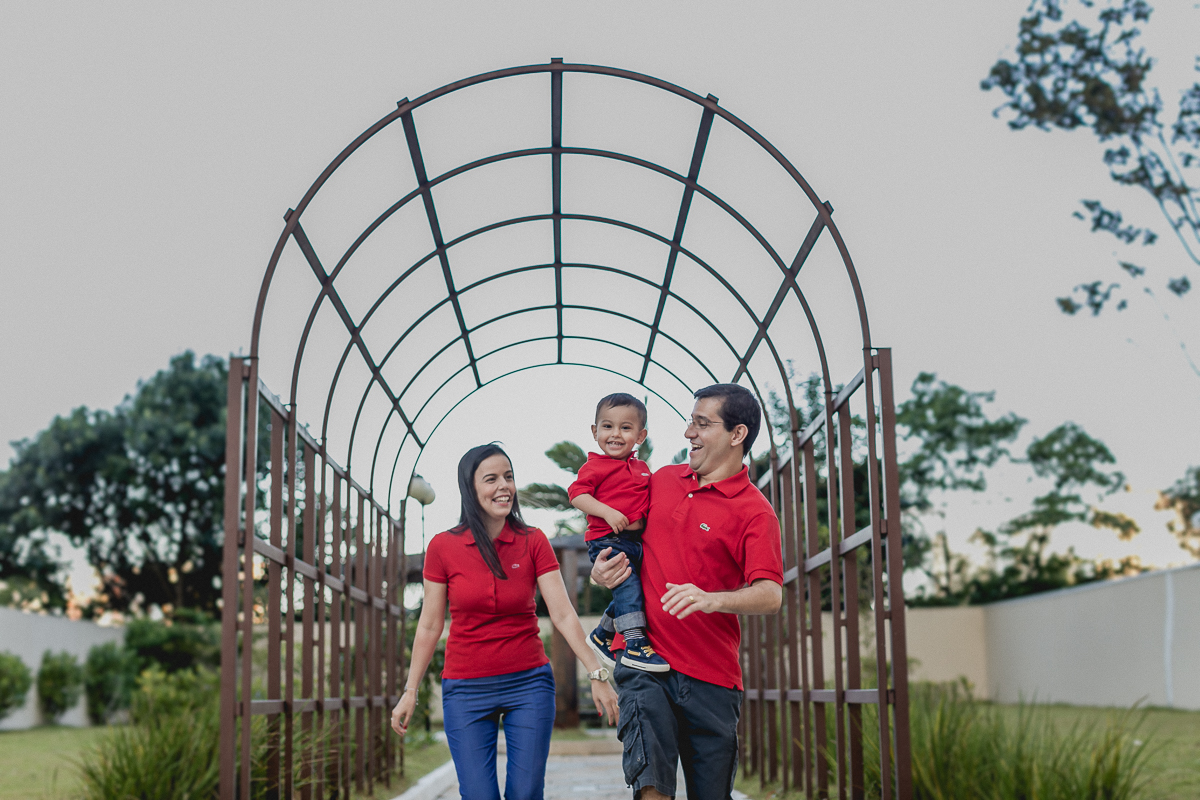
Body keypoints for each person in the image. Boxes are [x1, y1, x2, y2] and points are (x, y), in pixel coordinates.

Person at [391, 443, 620, 800]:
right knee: (479, 794)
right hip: (465, 689)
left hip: (528, 684)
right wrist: (410, 691)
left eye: (509, 477)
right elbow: (430, 625)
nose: (504, 487)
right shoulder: (443, 547)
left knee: (526, 793)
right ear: (471, 488)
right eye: (492, 479)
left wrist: (597, 674)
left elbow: (562, 614)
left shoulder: (533, 541)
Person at [591, 384, 783, 800]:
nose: (688, 433)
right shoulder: (659, 481)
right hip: (644, 664)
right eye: (690, 421)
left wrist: (714, 598)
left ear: (737, 435)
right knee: (651, 786)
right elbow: (617, 542)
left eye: (702, 423)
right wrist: (600, 572)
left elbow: (770, 594)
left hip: (712, 677)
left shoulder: (756, 512)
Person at [569, 392, 669, 673]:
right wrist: (607, 511)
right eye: (607, 426)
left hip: (635, 542)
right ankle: (636, 644)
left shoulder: (643, 469)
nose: (615, 434)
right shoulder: (595, 466)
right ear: (595, 431)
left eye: (625, 428)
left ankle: (603, 634)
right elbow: (576, 495)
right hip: (607, 540)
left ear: (640, 436)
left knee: (633, 590)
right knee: (628, 587)